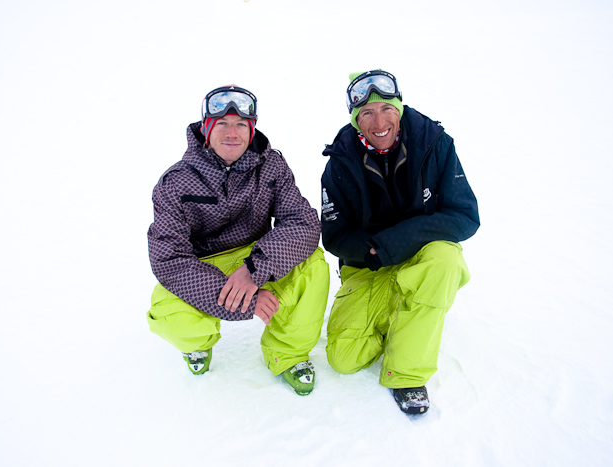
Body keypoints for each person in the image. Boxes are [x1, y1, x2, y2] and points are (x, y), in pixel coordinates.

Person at [147, 85, 329, 395]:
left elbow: (303, 223)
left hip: (257, 256)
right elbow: (170, 260)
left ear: (251, 129)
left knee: (314, 265)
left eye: (241, 124)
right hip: (203, 266)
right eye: (222, 124)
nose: (233, 133)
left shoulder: (271, 165)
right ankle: (198, 345)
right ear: (207, 129)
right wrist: (241, 301)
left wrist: (254, 270)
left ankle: (288, 354)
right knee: (165, 310)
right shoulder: (174, 182)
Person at [320, 70, 479, 413]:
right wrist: (373, 252)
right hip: (368, 268)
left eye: (387, 109)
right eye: (367, 113)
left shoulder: (435, 144)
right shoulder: (339, 164)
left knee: (445, 261)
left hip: (423, 258)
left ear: (400, 109)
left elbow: (465, 216)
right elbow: (334, 236)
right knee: (343, 360)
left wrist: (394, 241)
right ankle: (402, 311)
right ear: (355, 120)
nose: (379, 122)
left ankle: (407, 373)